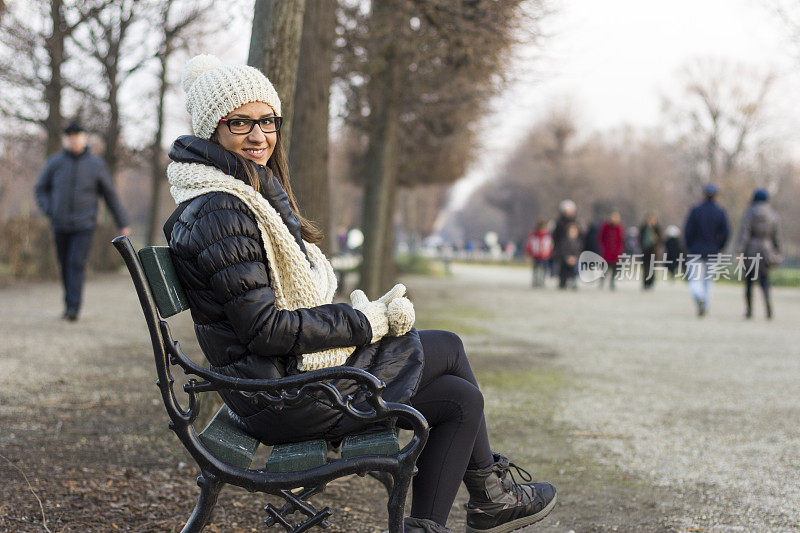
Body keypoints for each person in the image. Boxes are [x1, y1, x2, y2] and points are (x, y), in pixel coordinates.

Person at [162, 55, 556, 533]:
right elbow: (266, 330)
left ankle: (471, 505)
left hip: (272, 386)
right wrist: (368, 322)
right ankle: (490, 495)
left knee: (458, 399)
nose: (259, 136)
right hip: (280, 396)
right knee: (448, 347)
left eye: (266, 120)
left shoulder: (232, 196)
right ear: (212, 130)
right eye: (240, 122)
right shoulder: (223, 209)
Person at [35, 121, 131, 321]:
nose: (73, 140)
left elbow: (110, 195)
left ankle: (73, 308)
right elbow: (40, 189)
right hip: (59, 223)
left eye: (77, 136)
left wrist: (122, 221)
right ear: (65, 140)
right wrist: (49, 209)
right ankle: (69, 303)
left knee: (76, 263)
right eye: (70, 137)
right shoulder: (55, 162)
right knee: (64, 264)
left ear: (84, 138)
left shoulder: (96, 165)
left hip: (84, 225)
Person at [734, 188, 782, 319]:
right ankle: (768, 307)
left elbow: (744, 234)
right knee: (765, 281)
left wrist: (739, 252)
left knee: (749, 282)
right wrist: (778, 252)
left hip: (751, 250)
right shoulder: (773, 215)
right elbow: (776, 237)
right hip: (767, 251)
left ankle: (749, 310)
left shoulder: (749, 213)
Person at [683, 184, 729, 317]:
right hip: (713, 251)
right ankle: (706, 304)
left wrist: (690, 246)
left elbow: (688, 231)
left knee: (695, 279)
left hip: (696, 250)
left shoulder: (695, 211)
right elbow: (726, 233)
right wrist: (719, 247)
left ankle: (699, 297)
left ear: (703, 194)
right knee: (708, 281)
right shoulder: (720, 212)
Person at [598, 211, 624, 290]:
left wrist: (619, 251)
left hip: (616, 252)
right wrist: (603, 248)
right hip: (606, 252)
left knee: (614, 269)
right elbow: (601, 238)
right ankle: (602, 282)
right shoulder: (605, 226)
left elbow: (621, 240)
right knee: (605, 269)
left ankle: (612, 282)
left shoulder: (619, 228)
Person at [525, 218, 553, 288]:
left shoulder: (548, 235)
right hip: (536, 255)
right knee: (536, 269)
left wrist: (550, 253)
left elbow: (550, 245)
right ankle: (535, 281)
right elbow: (529, 245)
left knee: (544, 269)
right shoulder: (534, 235)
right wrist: (529, 253)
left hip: (544, 255)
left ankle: (542, 281)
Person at [638, 213, 662, 290]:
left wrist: (656, 239)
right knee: (645, 268)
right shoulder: (644, 228)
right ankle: (645, 283)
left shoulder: (656, 228)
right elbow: (640, 238)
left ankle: (651, 283)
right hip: (645, 251)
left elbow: (660, 239)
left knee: (652, 267)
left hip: (653, 251)